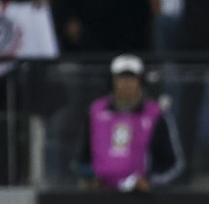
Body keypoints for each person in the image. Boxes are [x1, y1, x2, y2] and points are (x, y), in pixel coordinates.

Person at [78, 54, 184, 191]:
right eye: (121, 78)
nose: (126, 83)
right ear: (113, 81)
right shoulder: (95, 112)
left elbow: (173, 163)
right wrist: (89, 178)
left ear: (140, 81)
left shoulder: (155, 115)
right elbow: (82, 158)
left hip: (141, 197)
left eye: (131, 78)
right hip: (101, 195)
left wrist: (150, 182)